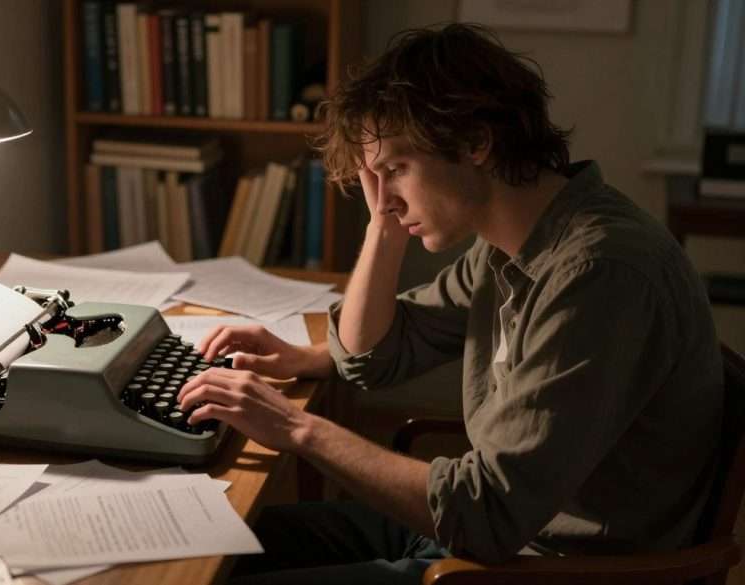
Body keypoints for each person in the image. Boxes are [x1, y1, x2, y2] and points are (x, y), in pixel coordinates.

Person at [175, 22, 724, 585]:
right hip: (490, 539)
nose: (385, 198)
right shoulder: (513, 245)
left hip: (545, 569)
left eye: (395, 170)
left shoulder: (598, 276)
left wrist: (296, 428)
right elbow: (374, 356)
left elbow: (488, 515)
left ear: (475, 143)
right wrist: (381, 231)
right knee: (204, 550)